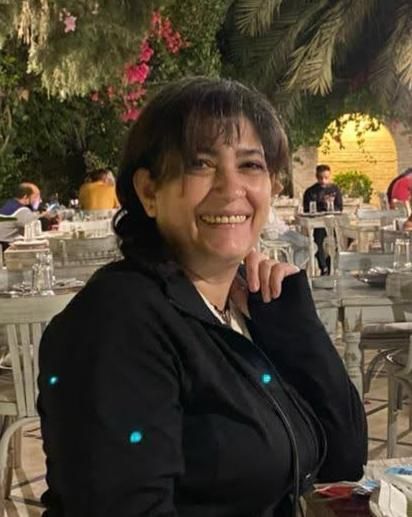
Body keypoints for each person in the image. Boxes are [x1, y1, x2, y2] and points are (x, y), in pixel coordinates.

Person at [38, 78, 367, 517]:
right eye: (200, 164)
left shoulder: (243, 311)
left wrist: (295, 324)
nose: (231, 187)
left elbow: (344, 456)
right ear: (149, 191)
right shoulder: (119, 321)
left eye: (250, 165)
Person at [303, 165, 343, 275]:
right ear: (317, 177)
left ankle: (330, 263)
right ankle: (323, 267)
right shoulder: (311, 191)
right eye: (321, 178)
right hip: (318, 223)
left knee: (341, 240)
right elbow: (307, 209)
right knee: (317, 241)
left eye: (326, 178)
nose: (323, 181)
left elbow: (340, 207)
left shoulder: (334, 189)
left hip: (333, 222)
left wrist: (330, 206)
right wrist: (320, 206)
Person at [0, 182, 53, 249]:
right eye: (36, 197)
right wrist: (47, 217)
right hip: (6, 248)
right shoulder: (21, 210)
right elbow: (38, 229)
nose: (40, 200)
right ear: (25, 197)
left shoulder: (9, 204)